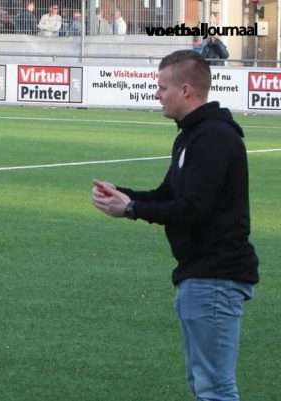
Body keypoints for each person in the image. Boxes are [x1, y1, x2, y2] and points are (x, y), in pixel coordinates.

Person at [92, 50, 259, 401]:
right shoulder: (191, 135)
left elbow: (194, 208)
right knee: (205, 385)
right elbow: (169, 194)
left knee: (215, 389)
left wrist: (133, 208)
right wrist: (124, 196)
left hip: (215, 276)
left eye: (162, 87)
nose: (157, 95)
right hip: (201, 275)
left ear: (186, 90)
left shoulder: (213, 137)